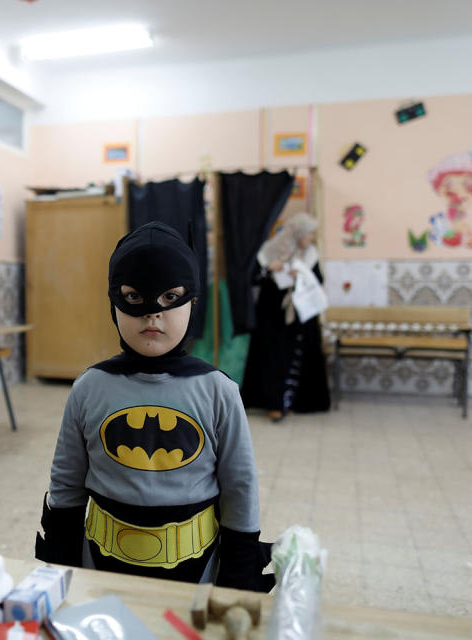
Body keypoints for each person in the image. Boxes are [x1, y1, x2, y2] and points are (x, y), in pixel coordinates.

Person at [35, 222, 273, 592]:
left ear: (192, 303)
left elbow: (240, 487)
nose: (152, 314)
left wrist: (239, 572)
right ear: (113, 305)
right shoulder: (89, 388)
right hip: (99, 567)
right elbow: (66, 483)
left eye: (170, 298)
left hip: (196, 573)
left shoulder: (218, 391)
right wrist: (61, 561)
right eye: (134, 298)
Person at [241, 212, 330, 421]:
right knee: (273, 358)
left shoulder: (309, 253)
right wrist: (269, 269)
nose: (310, 239)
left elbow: (319, 279)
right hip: (272, 316)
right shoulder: (269, 251)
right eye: (308, 234)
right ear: (298, 233)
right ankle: (274, 404)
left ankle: (295, 402)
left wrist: (301, 274)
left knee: (296, 357)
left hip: (300, 316)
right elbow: (253, 278)